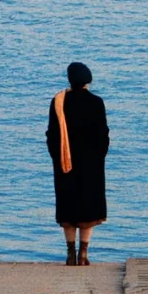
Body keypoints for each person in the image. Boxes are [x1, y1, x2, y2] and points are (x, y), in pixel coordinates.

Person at [46, 61, 109, 265]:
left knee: (68, 207)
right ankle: (83, 254)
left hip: (65, 162)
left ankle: (70, 253)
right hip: (91, 164)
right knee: (88, 210)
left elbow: (52, 134)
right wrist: (99, 156)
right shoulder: (97, 103)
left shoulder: (58, 102)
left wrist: (57, 156)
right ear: (87, 82)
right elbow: (103, 135)